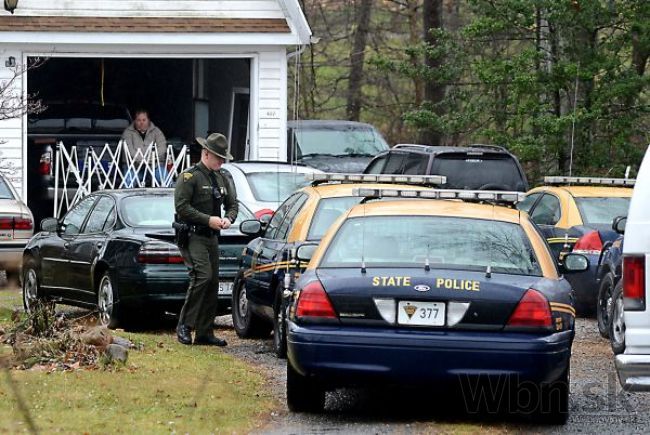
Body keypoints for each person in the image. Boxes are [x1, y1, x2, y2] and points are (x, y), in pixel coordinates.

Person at [174, 133, 238, 346]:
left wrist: (228, 218)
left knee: (212, 282)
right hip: (193, 234)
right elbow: (182, 208)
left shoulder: (222, 177)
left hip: (212, 237)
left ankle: (204, 331)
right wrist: (207, 219)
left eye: (223, 158)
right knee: (202, 276)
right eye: (218, 157)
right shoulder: (189, 177)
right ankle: (185, 324)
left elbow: (232, 204)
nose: (221, 161)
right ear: (206, 153)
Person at [121, 109, 167, 186]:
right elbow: (130, 152)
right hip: (133, 167)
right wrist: (144, 160)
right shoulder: (127, 132)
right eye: (139, 120)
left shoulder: (157, 131)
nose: (141, 122)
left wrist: (150, 159)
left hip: (154, 166)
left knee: (166, 179)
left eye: (144, 120)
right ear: (135, 121)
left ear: (148, 120)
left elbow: (162, 148)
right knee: (128, 182)